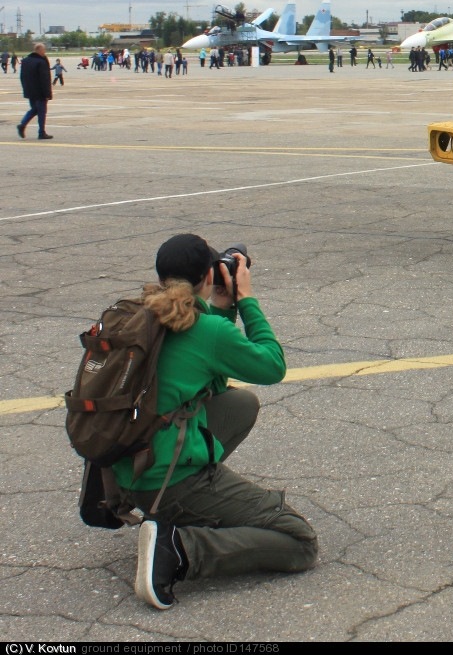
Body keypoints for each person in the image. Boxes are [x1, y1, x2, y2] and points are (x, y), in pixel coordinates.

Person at [121, 234, 317, 609]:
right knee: (299, 540)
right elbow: (272, 366)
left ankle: (174, 511)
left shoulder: (141, 314)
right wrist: (247, 301)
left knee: (239, 404)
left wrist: (221, 308)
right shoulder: (204, 330)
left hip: (124, 467)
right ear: (208, 276)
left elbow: (210, 385)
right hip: (167, 478)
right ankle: (178, 549)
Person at [17, 42, 54, 139]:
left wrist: (25, 89)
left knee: (35, 109)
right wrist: (48, 93)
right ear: (39, 50)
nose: (44, 52)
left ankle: (23, 125)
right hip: (40, 92)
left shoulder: (25, 61)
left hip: (30, 91)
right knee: (41, 112)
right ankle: (41, 132)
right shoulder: (41, 62)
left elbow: (22, 77)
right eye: (44, 50)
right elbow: (44, 79)